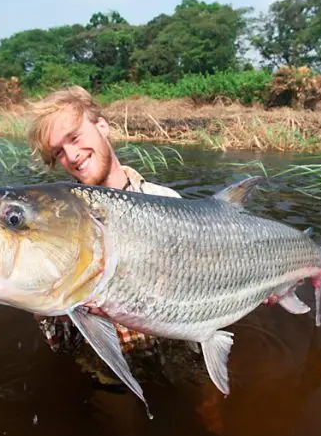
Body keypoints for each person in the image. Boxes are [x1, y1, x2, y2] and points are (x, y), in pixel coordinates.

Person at [25, 86, 214, 392]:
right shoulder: (54, 229)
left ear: (102, 126)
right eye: (58, 151)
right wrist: (42, 295)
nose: (71, 156)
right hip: (109, 370)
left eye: (74, 137)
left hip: (180, 354)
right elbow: (63, 346)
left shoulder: (166, 200)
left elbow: (208, 288)